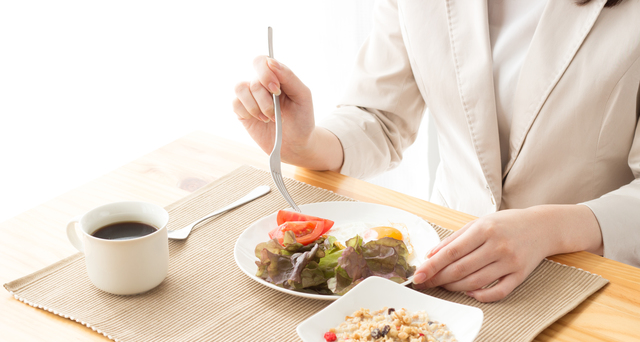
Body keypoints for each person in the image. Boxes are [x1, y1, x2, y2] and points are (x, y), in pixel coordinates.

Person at [232, 0, 640, 302]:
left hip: (592, 277)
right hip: (443, 263)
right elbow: (380, 118)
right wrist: (304, 142)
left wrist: (549, 230)